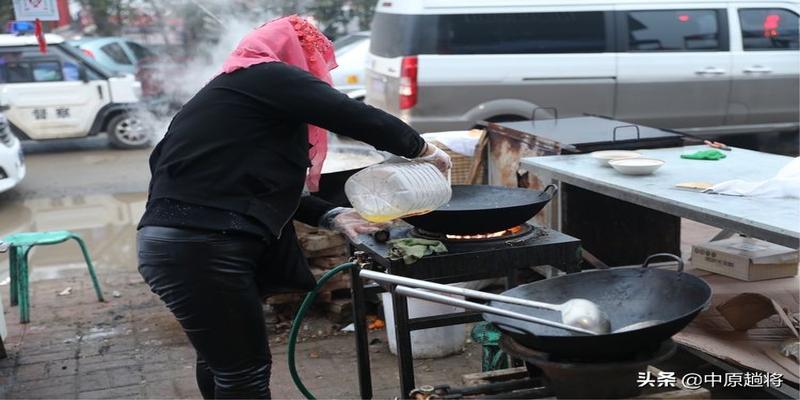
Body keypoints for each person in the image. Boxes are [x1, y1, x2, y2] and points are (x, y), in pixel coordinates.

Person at [136, 15, 451, 399]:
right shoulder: (267, 76)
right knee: (244, 373)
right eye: (313, 57)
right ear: (297, 53)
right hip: (201, 248)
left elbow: (250, 183)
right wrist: (423, 150)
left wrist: (330, 214)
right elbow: (353, 115)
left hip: (183, 246)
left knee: (223, 363)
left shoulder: (229, 96)